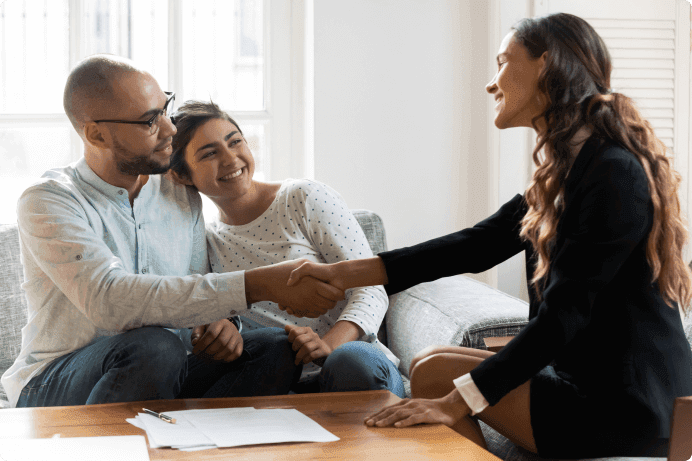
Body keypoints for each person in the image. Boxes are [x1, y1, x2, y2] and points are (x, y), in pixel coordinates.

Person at [284, 13, 692, 459]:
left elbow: (562, 318)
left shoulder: (611, 174)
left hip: (626, 410)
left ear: (544, 64)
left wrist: (453, 404)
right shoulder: (571, 170)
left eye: (502, 62)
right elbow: (474, 245)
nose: (491, 83)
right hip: (594, 388)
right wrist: (341, 274)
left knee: (439, 377)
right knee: (428, 365)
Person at [1, 54, 345, 409]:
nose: (170, 130)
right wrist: (256, 283)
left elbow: (195, 284)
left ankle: (195, 444)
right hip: (58, 379)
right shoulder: (48, 200)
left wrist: (220, 324)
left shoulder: (177, 189)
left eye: (165, 109)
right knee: (154, 346)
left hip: (165, 367)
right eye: (150, 121)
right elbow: (108, 300)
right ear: (96, 133)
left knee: (274, 346)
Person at [167, 100, 405, 397]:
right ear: (181, 175)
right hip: (276, 379)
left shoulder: (303, 198)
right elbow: (204, 311)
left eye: (235, 142)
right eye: (210, 153)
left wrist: (329, 344)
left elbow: (370, 288)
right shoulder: (205, 241)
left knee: (349, 361)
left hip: (352, 362)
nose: (231, 159)